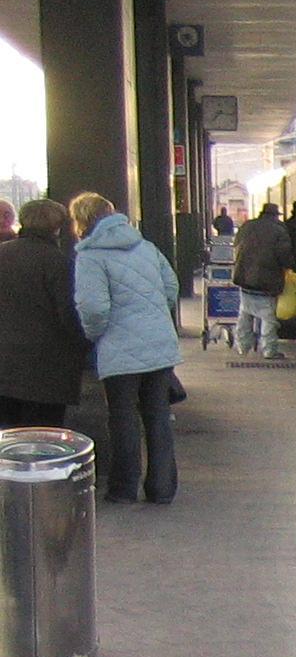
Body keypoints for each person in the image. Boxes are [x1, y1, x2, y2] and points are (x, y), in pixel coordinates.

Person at [70, 192, 180, 503]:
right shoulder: (145, 247)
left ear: (81, 221)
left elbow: (93, 308)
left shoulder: (91, 256)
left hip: (119, 348)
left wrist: (95, 335)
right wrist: (153, 318)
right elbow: (171, 287)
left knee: (123, 417)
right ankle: (162, 488)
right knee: (158, 415)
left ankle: (124, 488)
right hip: (159, 345)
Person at [0, 199, 92, 427]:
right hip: (47, 369)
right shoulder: (59, 262)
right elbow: (69, 313)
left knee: (8, 435)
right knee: (43, 434)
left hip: (4, 366)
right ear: (56, 227)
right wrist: (84, 345)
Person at [232, 201, 292, 358]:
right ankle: (269, 349)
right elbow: (284, 256)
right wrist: (289, 266)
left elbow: (236, 246)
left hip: (245, 278)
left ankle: (242, 346)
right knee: (268, 317)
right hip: (267, 281)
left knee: (245, 313)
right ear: (275, 216)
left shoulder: (247, 226)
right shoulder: (279, 231)